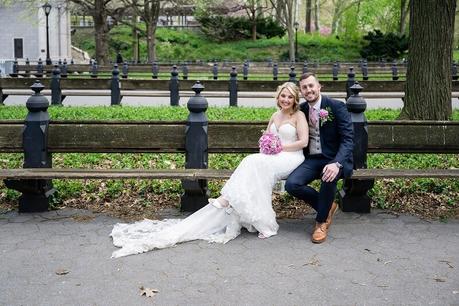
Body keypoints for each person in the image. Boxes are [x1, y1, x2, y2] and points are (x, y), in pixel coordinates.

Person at [110, 82, 309, 258]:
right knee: (254, 164)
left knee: (253, 162)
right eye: (283, 95)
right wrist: (266, 145)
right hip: (272, 157)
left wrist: (279, 148)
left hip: (291, 157)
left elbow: (303, 141)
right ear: (278, 97)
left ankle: (229, 200)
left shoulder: (299, 116)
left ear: (295, 99)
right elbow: (266, 136)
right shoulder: (275, 115)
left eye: (290, 96)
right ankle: (261, 222)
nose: (285, 99)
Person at [285, 73, 353, 244]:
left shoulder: (336, 107)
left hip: (334, 159)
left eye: (311, 86)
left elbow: (348, 139)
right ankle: (328, 205)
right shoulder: (301, 110)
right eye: (304, 87)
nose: (308, 90)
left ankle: (321, 223)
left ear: (319, 86)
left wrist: (337, 163)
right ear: (301, 91)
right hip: (312, 159)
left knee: (328, 177)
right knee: (292, 185)